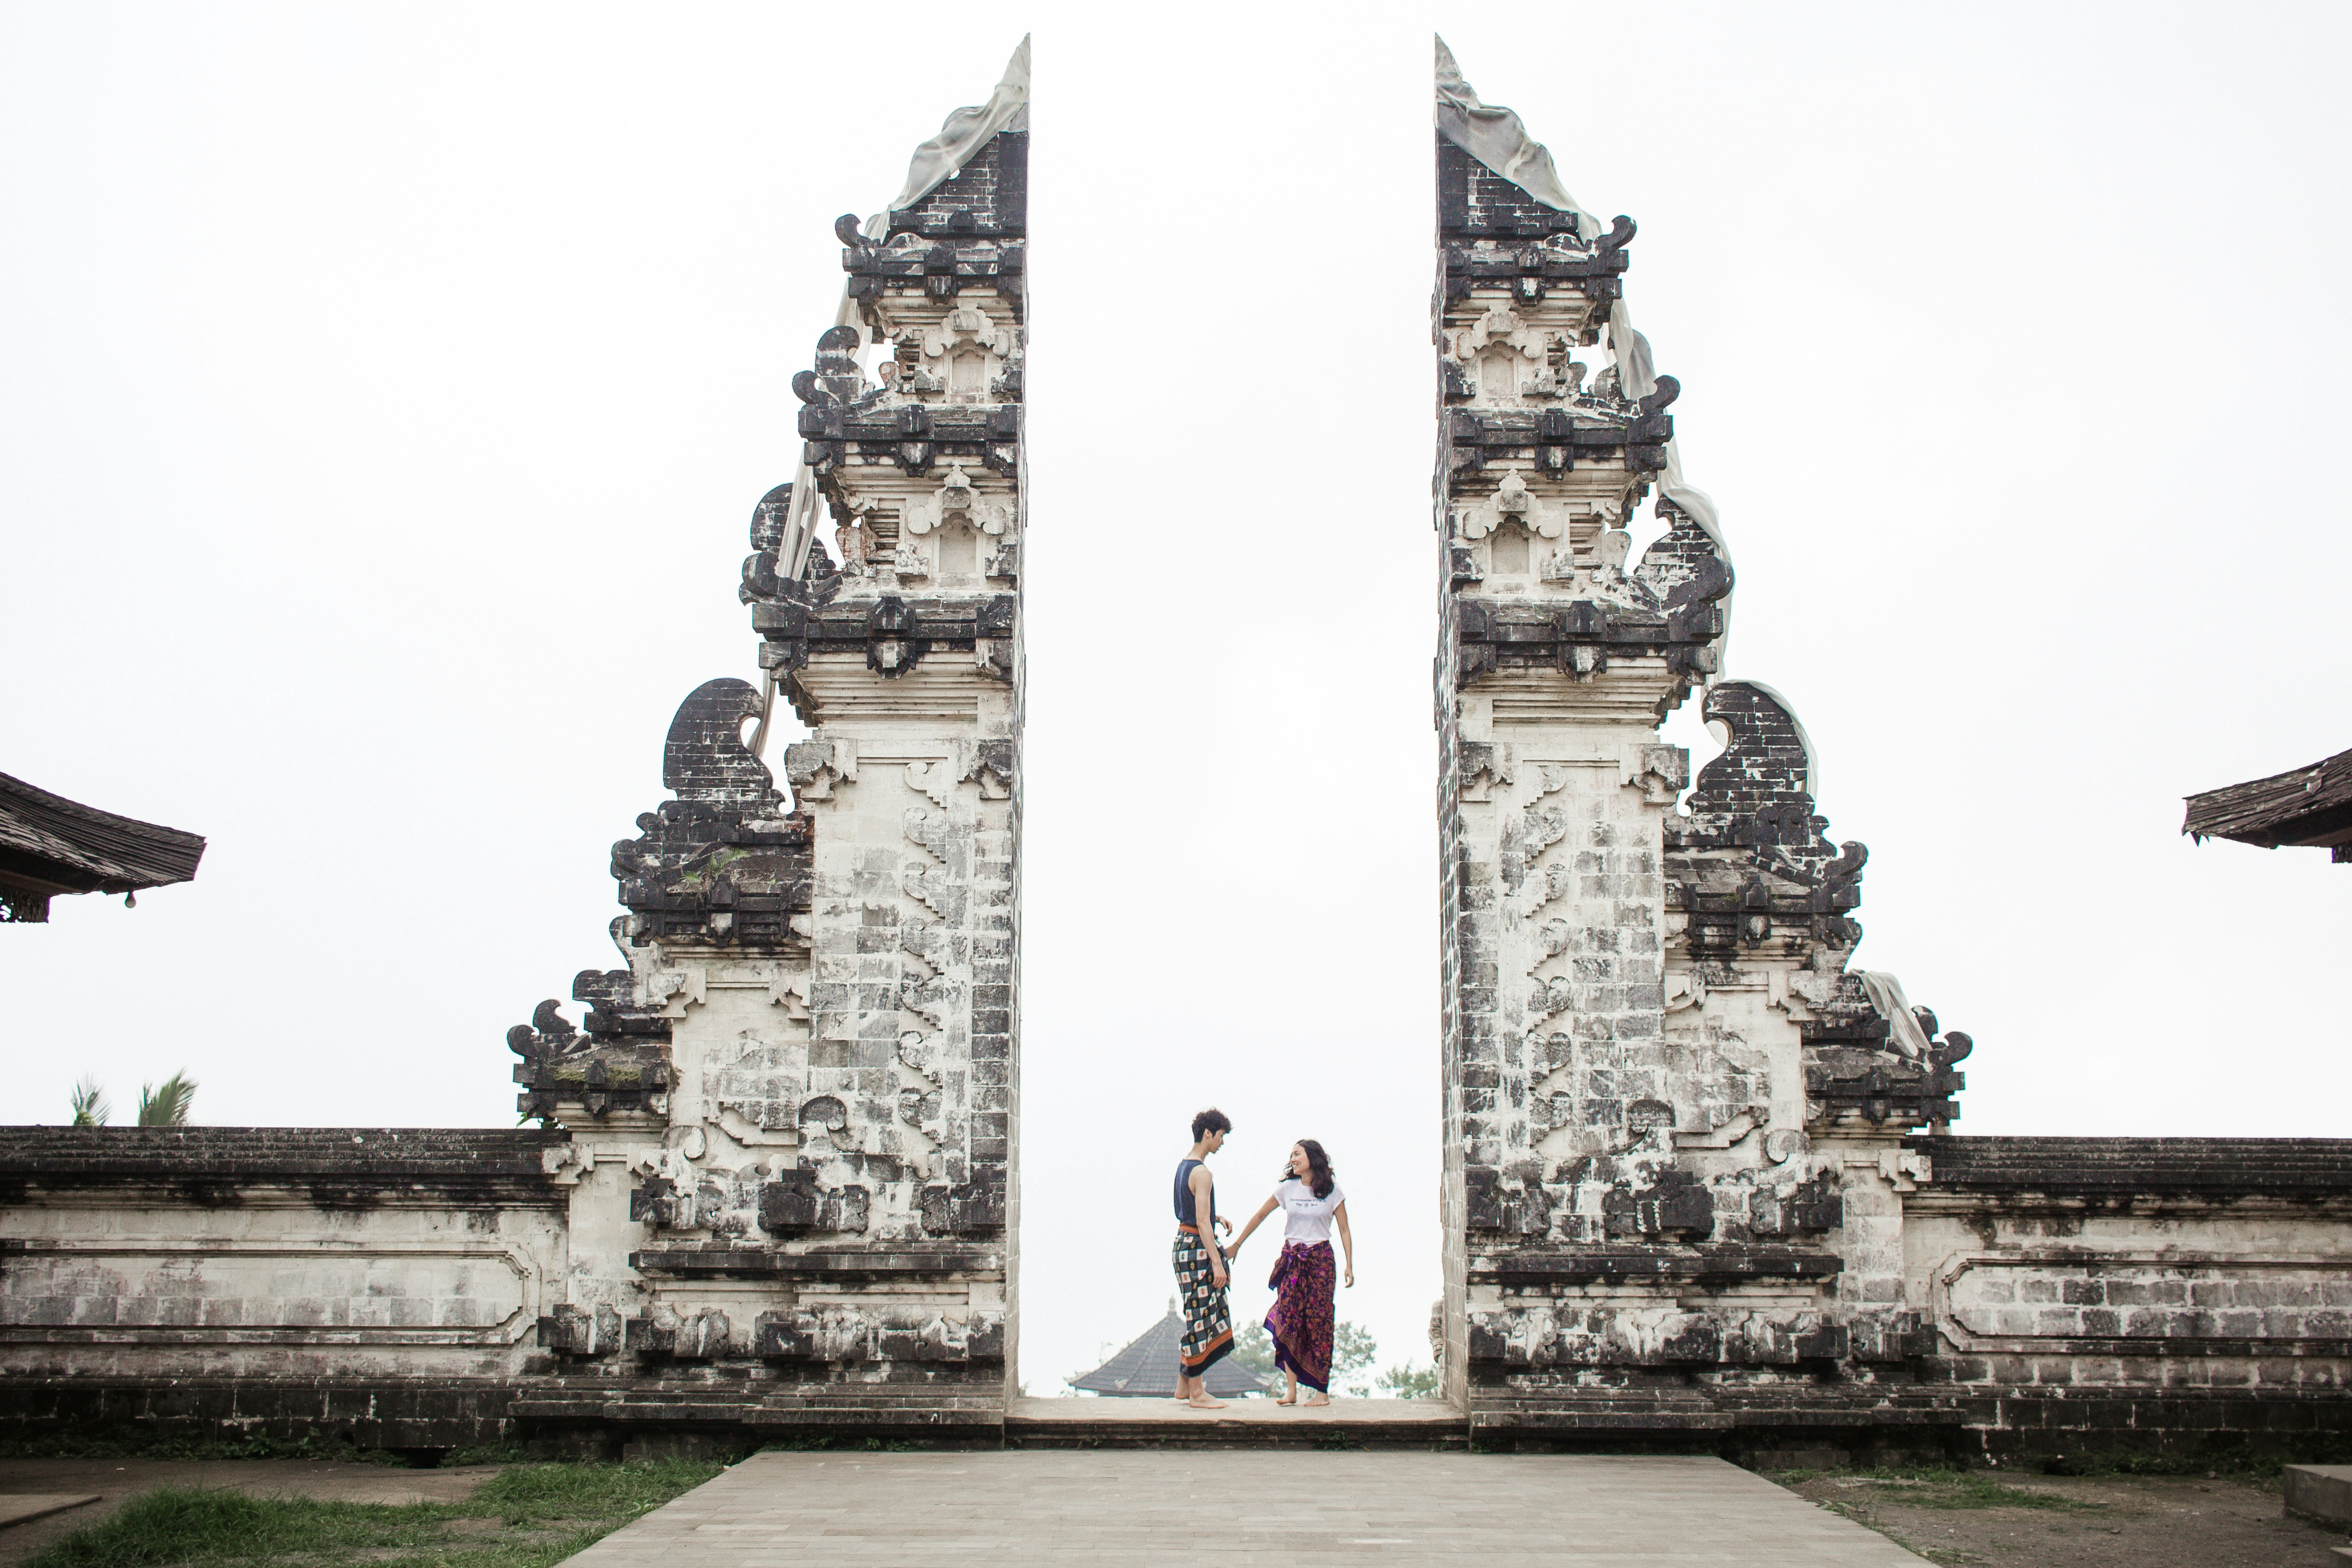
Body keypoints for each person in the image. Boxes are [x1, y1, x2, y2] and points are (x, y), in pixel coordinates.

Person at [1228, 1139, 1352, 1407]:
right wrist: (1237, 1245)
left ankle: (1322, 1391)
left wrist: (1349, 1265)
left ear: (1312, 1158)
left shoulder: (1332, 1191)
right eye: (1292, 1155)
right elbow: (1260, 1215)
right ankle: (1291, 1389)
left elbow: (1344, 1230)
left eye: (1297, 1154)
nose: (1292, 1158)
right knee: (1289, 1319)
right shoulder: (1287, 1189)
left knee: (1319, 1322)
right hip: (1292, 1261)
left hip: (1320, 1261)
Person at [1171, 1108, 1235, 1409]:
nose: (1222, 1143)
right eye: (1221, 1136)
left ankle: (1184, 1387)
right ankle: (1198, 1393)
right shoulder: (1203, 1172)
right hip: (1197, 1249)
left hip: (1183, 1244)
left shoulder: (1185, 1167)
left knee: (1196, 1310)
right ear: (1208, 1133)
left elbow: (1193, 1211)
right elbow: (1201, 1222)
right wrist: (1218, 1262)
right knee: (1200, 1316)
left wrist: (1214, 1215)